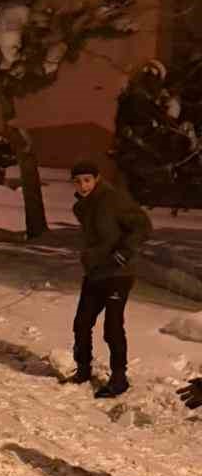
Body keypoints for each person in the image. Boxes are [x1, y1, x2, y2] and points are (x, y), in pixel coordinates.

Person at [68, 159, 151, 398]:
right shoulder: (81, 207)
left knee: (112, 326)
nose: (83, 186)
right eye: (77, 181)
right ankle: (83, 370)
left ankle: (119, 378)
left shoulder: (113, 199)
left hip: (119, 272)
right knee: (82, 323)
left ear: (97, 179)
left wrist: (124, 252)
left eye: (87, 180)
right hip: (96, 272)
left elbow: (142, 226)